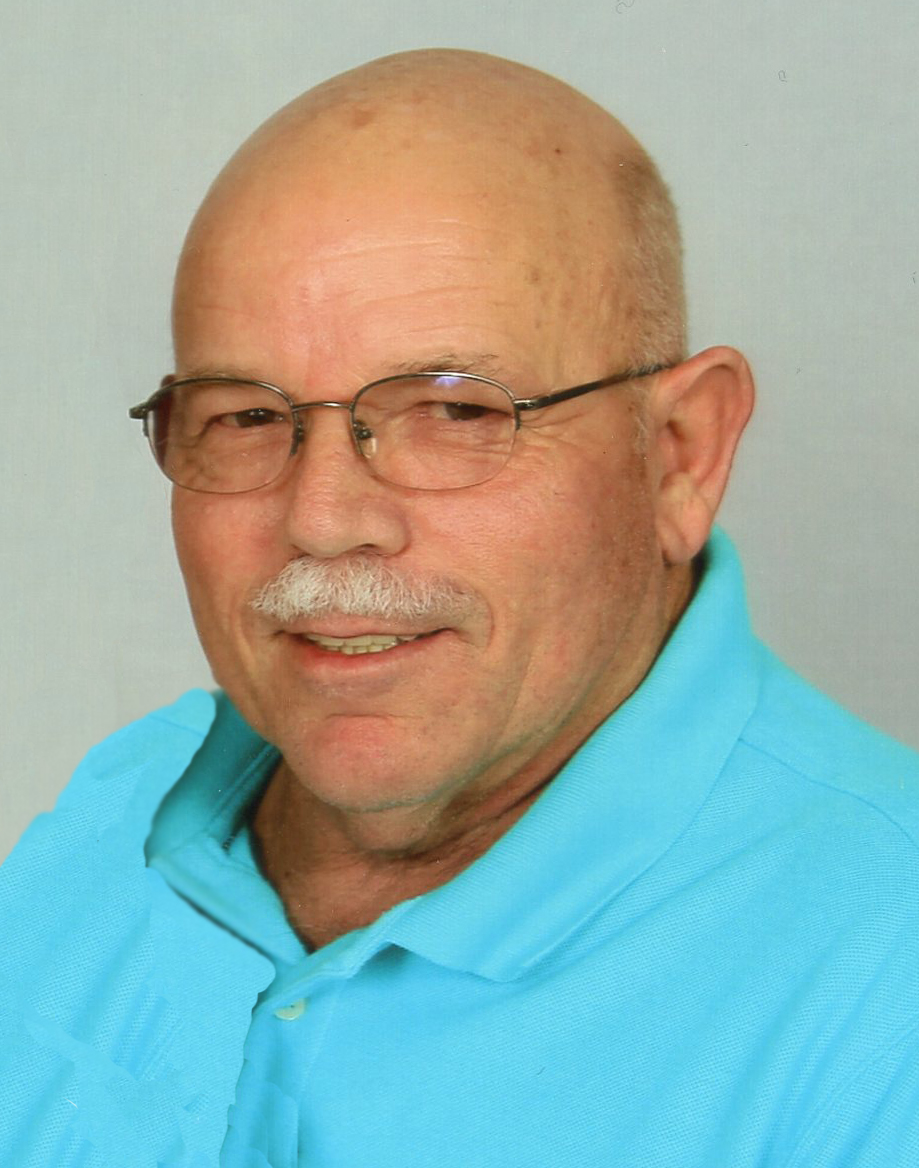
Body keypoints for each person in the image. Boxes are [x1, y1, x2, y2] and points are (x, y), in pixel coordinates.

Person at [1, 48, 917, 1168]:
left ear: (679, 455)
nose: (322, 518)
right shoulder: (120, 813)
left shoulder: (887, 988)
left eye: (454, 411)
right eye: (245, 416)